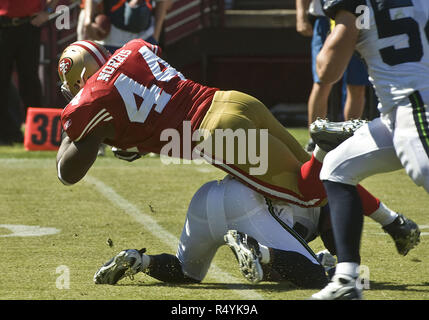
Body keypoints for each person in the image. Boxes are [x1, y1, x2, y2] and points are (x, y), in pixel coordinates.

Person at [93, 174, 419, 288]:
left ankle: (140, 260)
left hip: (206, 196)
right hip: (247, 209)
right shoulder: (326, 196)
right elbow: (348, 194)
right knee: (311, 275)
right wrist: (390, 221)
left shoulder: (300, 181)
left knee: (185, 272)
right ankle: (257, 248)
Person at [310, 0, 429, 300]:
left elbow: (327, 70)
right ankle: (348, 279)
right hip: (396, 115)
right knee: (337, 168)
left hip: (415, 107)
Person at [295, 0, 369, 152]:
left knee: (357, 85)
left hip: (361, 16)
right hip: (327, 16)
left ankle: (350, 140)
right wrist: (301, 15)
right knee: (322, 82)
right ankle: (315, 140)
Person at [0, 0, 60, 145]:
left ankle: (36, 133)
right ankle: (5, 134)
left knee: (30, 82)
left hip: (28, 25)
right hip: (2, 25)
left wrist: (48, 12)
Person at [81, 0, 173, 51]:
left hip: (145, 40)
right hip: (112, 42)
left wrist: (155, 37)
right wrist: (88, 21)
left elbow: (163, 3)